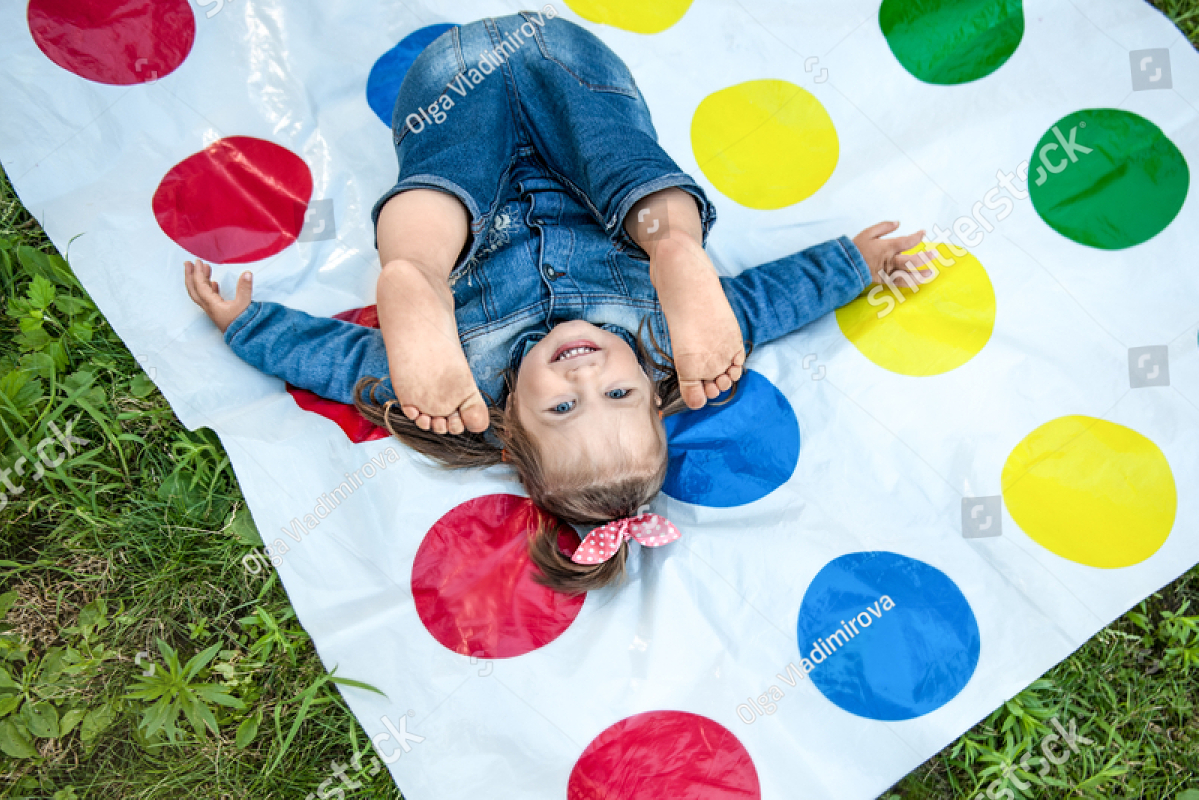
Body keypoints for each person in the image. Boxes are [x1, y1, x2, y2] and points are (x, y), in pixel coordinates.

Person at [184, 12, 936, 593]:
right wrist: (853, 265)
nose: (584, 378)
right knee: (629, 177)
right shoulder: (681, 345)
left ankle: (411, 272)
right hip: (573, 80)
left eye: (563, 410)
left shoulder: (460, 388)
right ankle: (676, 241)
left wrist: (249, 326)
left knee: (444, 197)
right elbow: (770, 302)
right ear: (655, 392)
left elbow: (345, 363)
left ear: (511, 434)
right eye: (616, 393)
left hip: (450, 92)